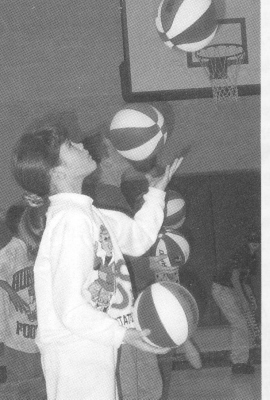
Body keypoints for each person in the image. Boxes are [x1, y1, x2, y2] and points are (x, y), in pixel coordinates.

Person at [11, 122, 181, 400]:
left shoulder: (87, 214)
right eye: (70, 146)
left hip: (89, 344)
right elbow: (69, 307)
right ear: (58, 171)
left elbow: (138, 238)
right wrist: (121, 334)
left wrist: (157, 193)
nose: (81, 145)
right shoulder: (71, 220)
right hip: (73, 349)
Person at [0, 204, 43, 383]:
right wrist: (11, 291)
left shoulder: (34, 249)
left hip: (35, 330)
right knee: (21, 384)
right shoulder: (10, 251)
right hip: (16, 335)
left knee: (38, 382)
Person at [211, 230, 261, 375]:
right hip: (222, 288)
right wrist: (243, 300)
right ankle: (238, 363)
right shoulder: (243, 253)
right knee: (240, 324)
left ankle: (241, 361)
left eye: (256, 244)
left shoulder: (252, 258)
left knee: (243, 324)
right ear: (248, 243)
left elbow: (244, 281)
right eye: (252, 244)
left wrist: (251, 298)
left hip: (231, 289)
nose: (254, 247)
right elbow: (234, 278)